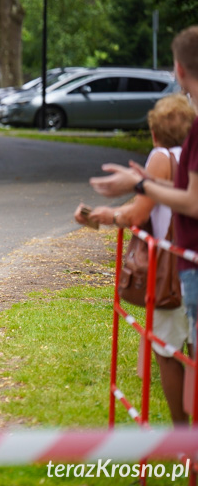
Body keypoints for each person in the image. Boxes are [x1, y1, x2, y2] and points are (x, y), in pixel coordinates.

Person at [76, 94, 195, 424]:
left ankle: (184, 437)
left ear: (154, 134)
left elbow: (137, 212)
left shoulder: (162, 157)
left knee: (168, 354)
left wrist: (101, 215)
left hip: (172, 272)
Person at [89, 26, 198, 353]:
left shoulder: (162, 156)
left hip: (180, 259)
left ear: (179, 70)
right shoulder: (187, 147)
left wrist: (136, 186)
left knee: (169, 349)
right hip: (186, 259)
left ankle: (181, 407)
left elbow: (153, 209)